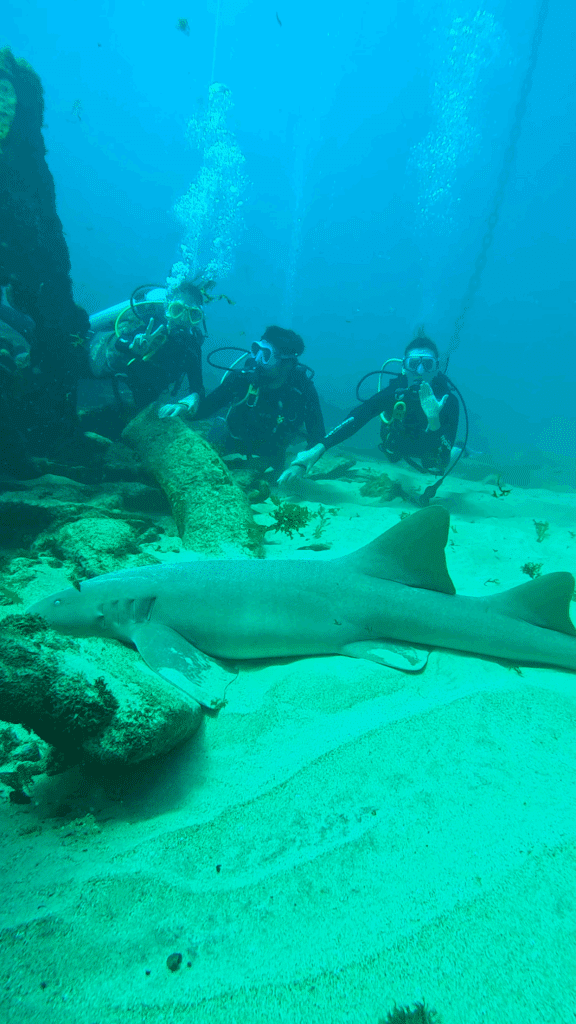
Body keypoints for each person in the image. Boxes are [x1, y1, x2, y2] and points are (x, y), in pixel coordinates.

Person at [280, 336, 459, 484]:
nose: (420, 370)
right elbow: (359, 416)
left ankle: (460, 450)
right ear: (404, 367)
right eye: (413, 363)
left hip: (431, 453)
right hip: (396, 449)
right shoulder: (394, 394)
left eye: (427, 364)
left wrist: (434, 419)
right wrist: (318, 449)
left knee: (435, 465)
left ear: (436, 368)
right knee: (394, 456)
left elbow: (443, 457)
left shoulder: (448, 401)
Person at [182, 326, 325, 477]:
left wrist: (301, 464)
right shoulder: (242, 379)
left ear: (287, 364)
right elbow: (205, 409)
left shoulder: (303, 391)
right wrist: (187, 405)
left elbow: (318, 437)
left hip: (271, 456)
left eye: (266, 355)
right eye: (257, 350)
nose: (257, 360)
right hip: (230, 440)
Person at [87, 280, 206, 424]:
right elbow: (121, 342)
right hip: (108, 370)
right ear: (168, 308)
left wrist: (186, 403)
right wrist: (132, 346)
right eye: (177, 310)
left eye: (193, 314)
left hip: (142, 391)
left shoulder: (192, 346)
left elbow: (197, 387)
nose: (183, 319)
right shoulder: (152, 322)